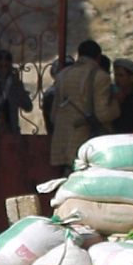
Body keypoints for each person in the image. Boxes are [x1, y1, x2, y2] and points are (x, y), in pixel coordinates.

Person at [48, 39, 120, 169]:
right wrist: (116, 105)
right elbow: (102, 114)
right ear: (98, 57)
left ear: (79, 55)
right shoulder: (100, 76)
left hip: (61, 142)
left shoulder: (62, 75)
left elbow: (54, 115)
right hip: (84, 142)